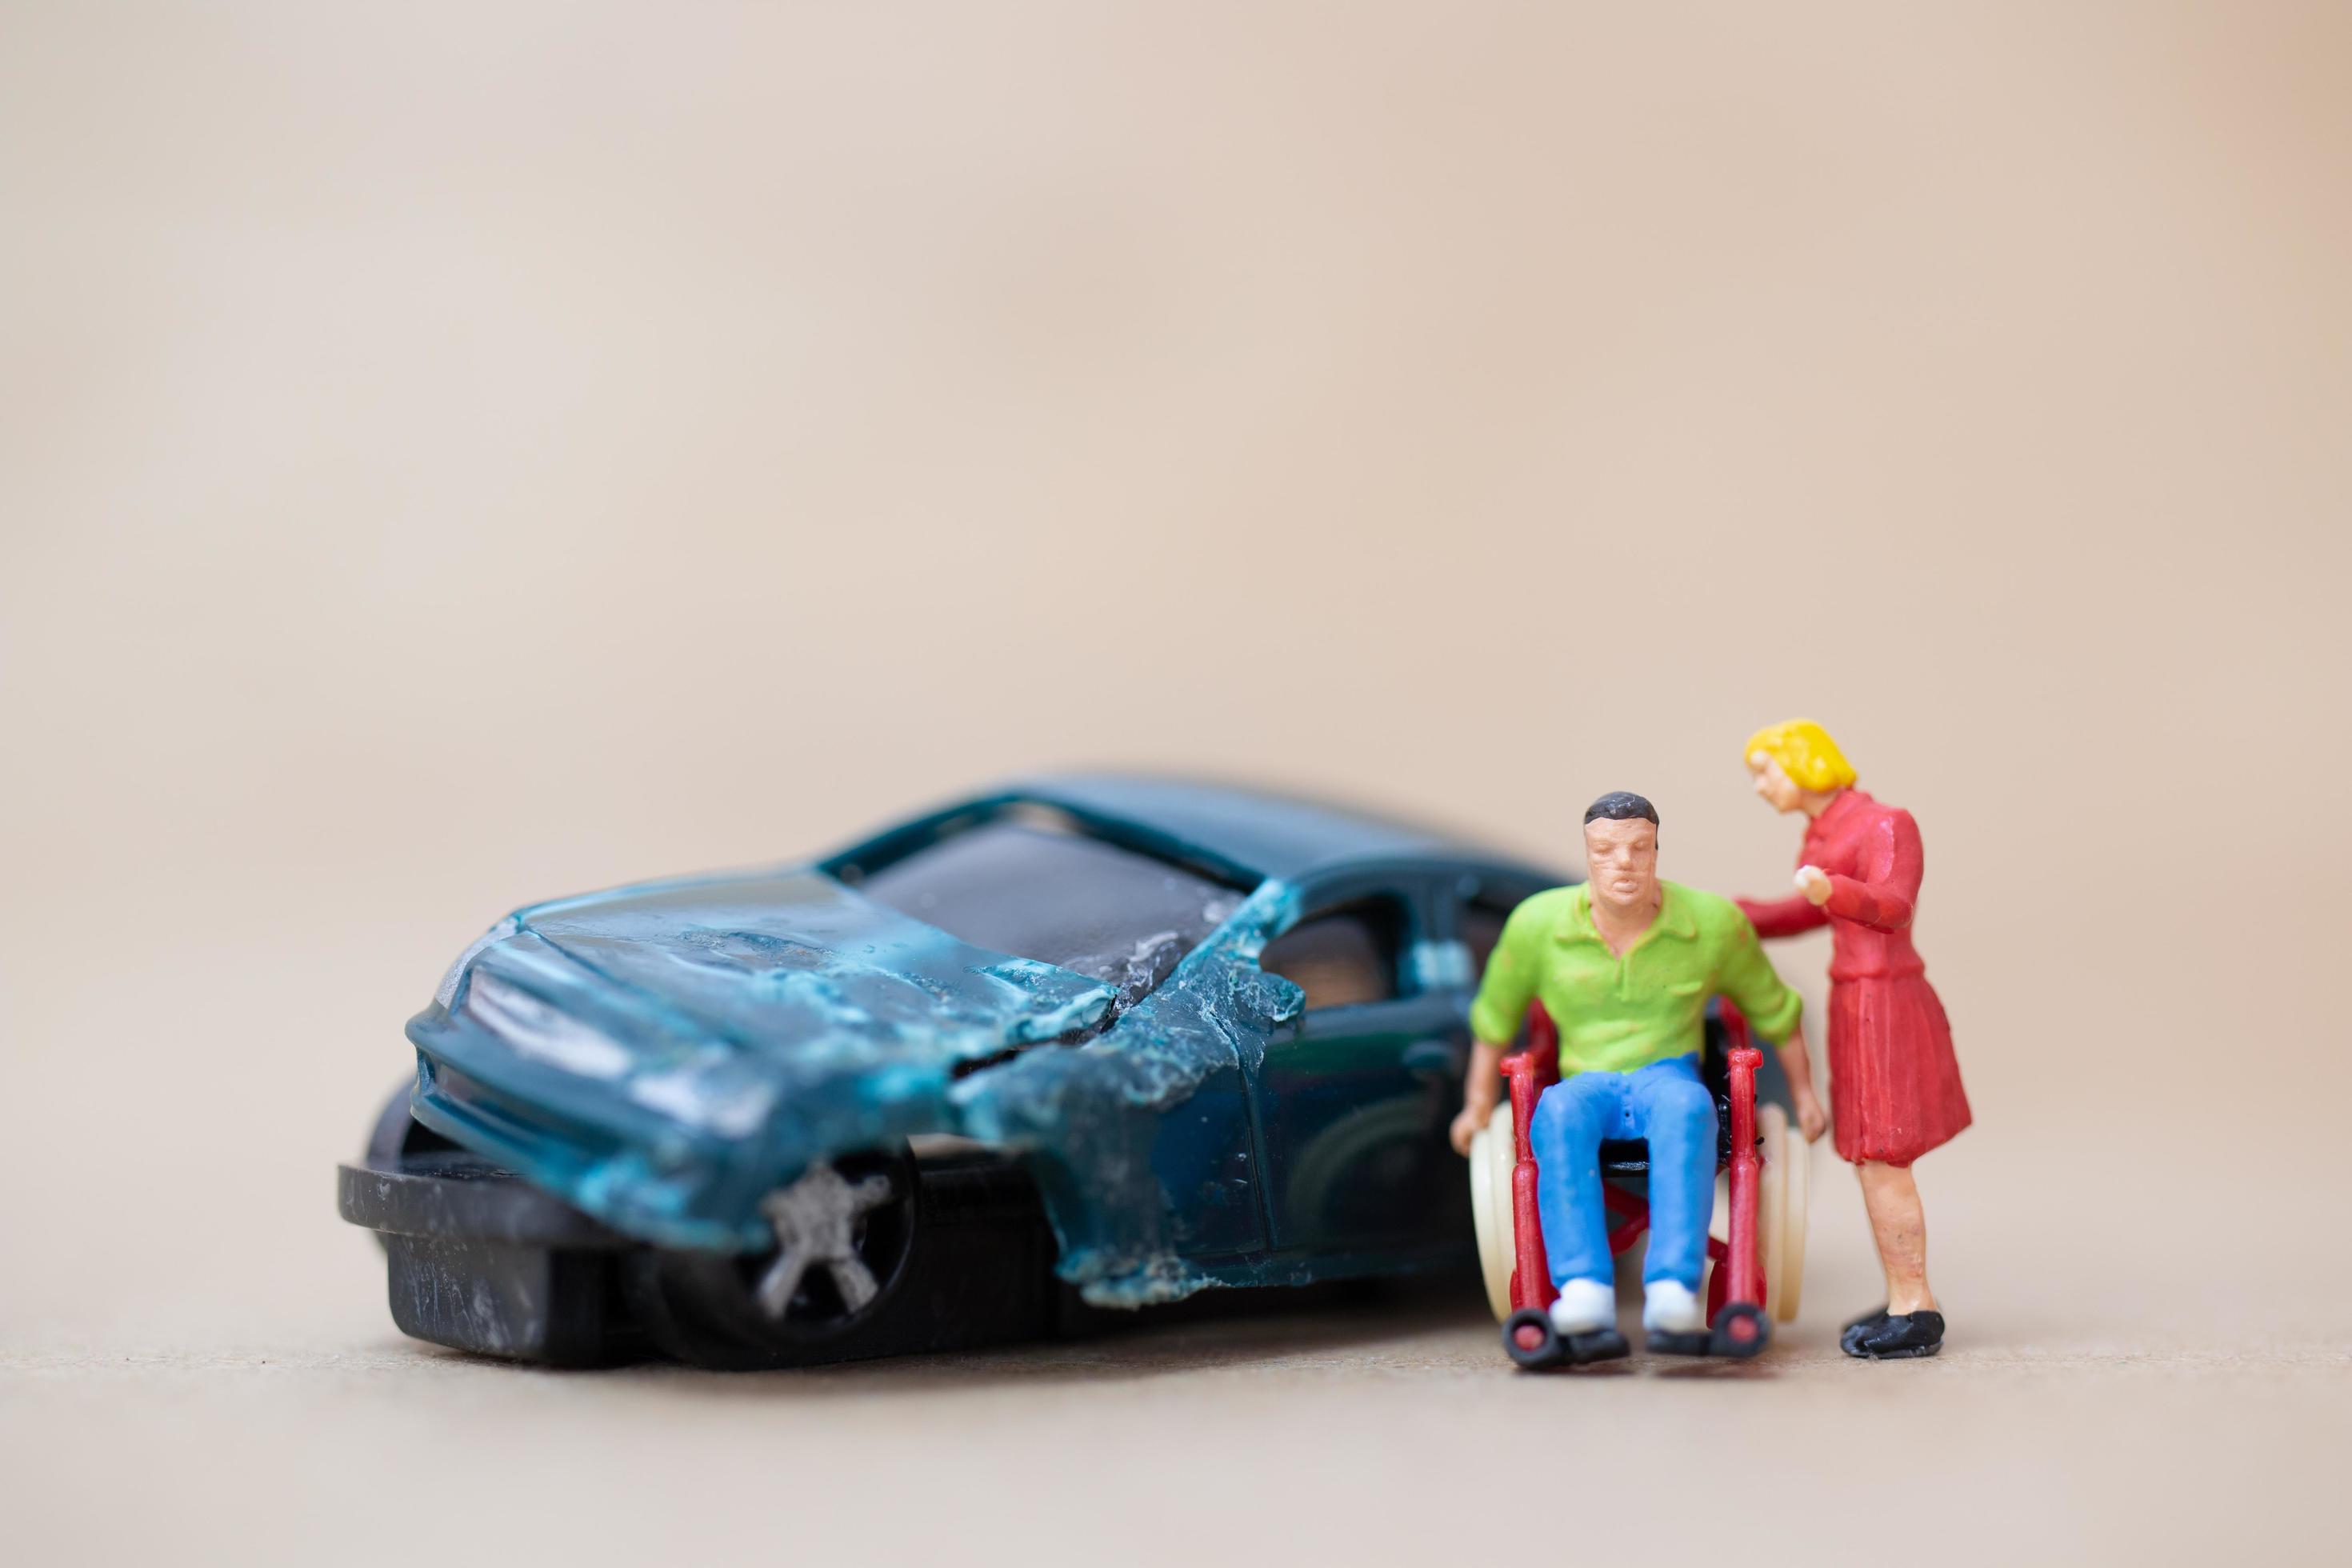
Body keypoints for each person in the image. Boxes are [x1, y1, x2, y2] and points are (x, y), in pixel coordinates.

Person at [1450, 792, 1825, 1359]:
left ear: (1655, 852)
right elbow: (1494, 1018)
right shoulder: (1537, 925)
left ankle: (1672, 1288)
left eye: (1637, 849)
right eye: (1605, 850)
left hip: (1666, 1076)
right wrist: (1478, 1103)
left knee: (1689, 1108)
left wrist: (1805, 1096)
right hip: (1588, 1078)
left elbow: (1776, 1010)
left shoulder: (1712, 923)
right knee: (1555, 1111)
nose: (1622, 863)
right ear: (1587, 853)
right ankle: (1584, 1290)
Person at [1737, 719, 1970, 1360]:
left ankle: (1916, 1308)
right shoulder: (1824, 832)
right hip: (1854, 998)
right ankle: (1905, 1296)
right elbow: (1803, 911)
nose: (1761, 787)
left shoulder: (1887, 823)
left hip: (1886, 1000)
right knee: (1869, 1157)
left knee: (1884, 1156)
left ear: (1803, 763)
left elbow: (1893, 905)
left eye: (1767, 771)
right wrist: (1739, 915)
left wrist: (1831, 888)